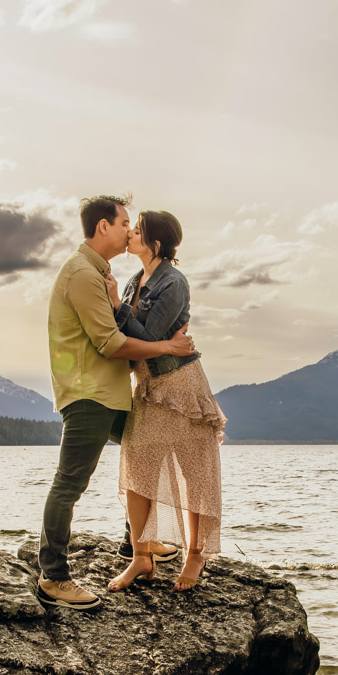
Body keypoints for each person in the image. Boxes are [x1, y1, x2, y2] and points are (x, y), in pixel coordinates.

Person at [36, 196, 195, 610]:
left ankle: (136, 545)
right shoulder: (82, 274)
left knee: (145, 455)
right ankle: (53, 576)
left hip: (109, 393)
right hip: (90, 394)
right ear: (104, 226)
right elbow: (110, 343)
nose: (130, 229)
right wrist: (170, 346)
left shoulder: (100, 272)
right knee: (70, 482)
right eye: (125, 222)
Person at [106, 211, 226, 593]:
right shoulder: (131, 282)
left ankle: (195, 555)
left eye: (137, 230)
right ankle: (141, 558)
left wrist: (117, 307)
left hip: (180, 386)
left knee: (196, 473)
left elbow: (148, 334)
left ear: (155, 243)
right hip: (147, 387)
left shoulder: (174, 282)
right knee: (138, 469)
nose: (130, 234)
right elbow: (129, 341)